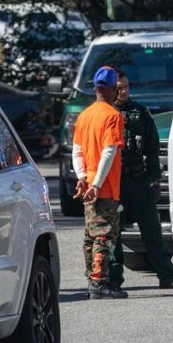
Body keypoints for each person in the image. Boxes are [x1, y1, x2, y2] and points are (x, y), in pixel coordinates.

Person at [109, 70, 173, 290]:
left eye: (126, 86)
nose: (123, 91)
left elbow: (152, 149)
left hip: (138, 180)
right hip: (112, 183)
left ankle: (167, 276)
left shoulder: (140, 112)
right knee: (112, 233)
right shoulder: (103, 113)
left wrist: (155, 179)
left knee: (152, 231)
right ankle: (113, 279)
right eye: (118, 87)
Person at [72, 66, 128, 299]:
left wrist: (82, 178)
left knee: (90, 235)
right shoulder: (113, 116)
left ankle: (93, 279)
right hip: (103, 187)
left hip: (88, 184)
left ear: (95, 88)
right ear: (114, 89)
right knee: (104, 234)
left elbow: (76, 151)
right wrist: (96, 184)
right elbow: (109, 151)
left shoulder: (84, 116)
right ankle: (99, 282)